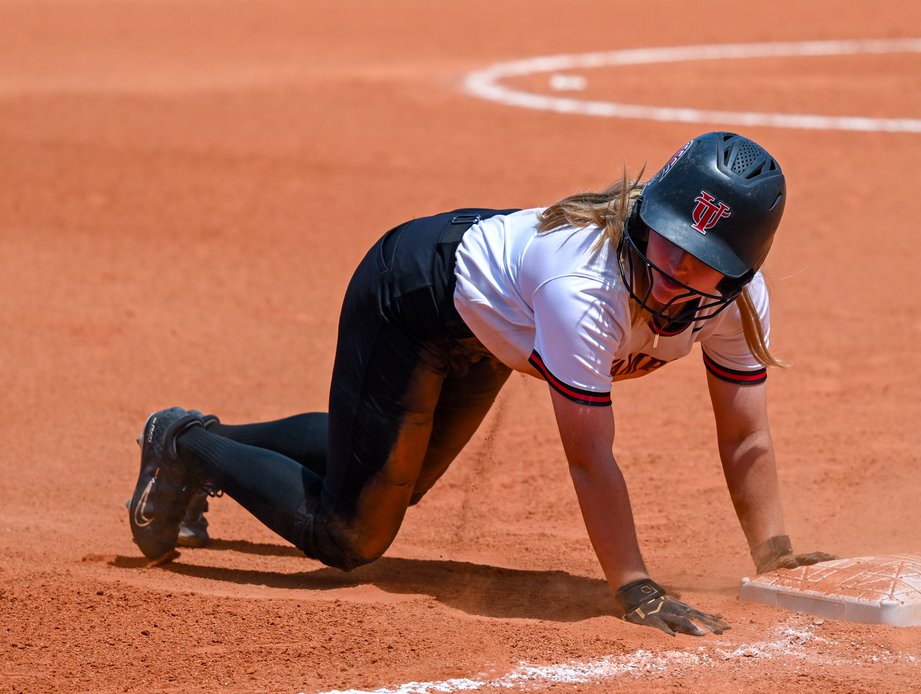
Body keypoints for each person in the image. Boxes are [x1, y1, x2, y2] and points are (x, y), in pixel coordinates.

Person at [126, 131, 835, 637]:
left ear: (739, 272)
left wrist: (773, 551)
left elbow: (745, 435)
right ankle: (182, 443)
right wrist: (635, 588)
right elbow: (591, 459)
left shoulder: (736, 306)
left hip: (488, 330)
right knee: (352, 534)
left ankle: (210, 445)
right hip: (412, 298)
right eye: (668, 239)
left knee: (398, 474)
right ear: (646, 215)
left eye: (703, 259)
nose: (676, 267)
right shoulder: (583, 288)